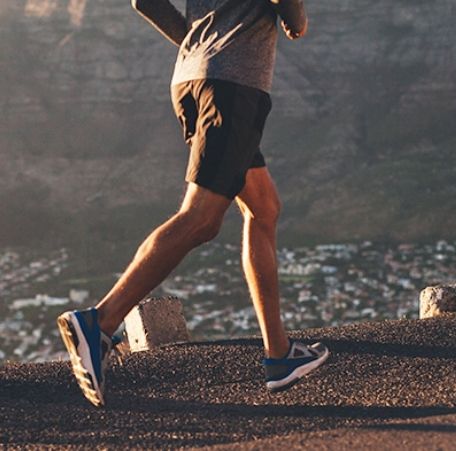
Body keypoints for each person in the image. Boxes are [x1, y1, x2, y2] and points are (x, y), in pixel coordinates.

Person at [56, 0, 328, 408]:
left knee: (264, 208)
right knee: (201, 218)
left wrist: (201, 43)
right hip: (233, 85)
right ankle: (100, 322)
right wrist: (297, 20)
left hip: (193, 78)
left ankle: (279, 354)